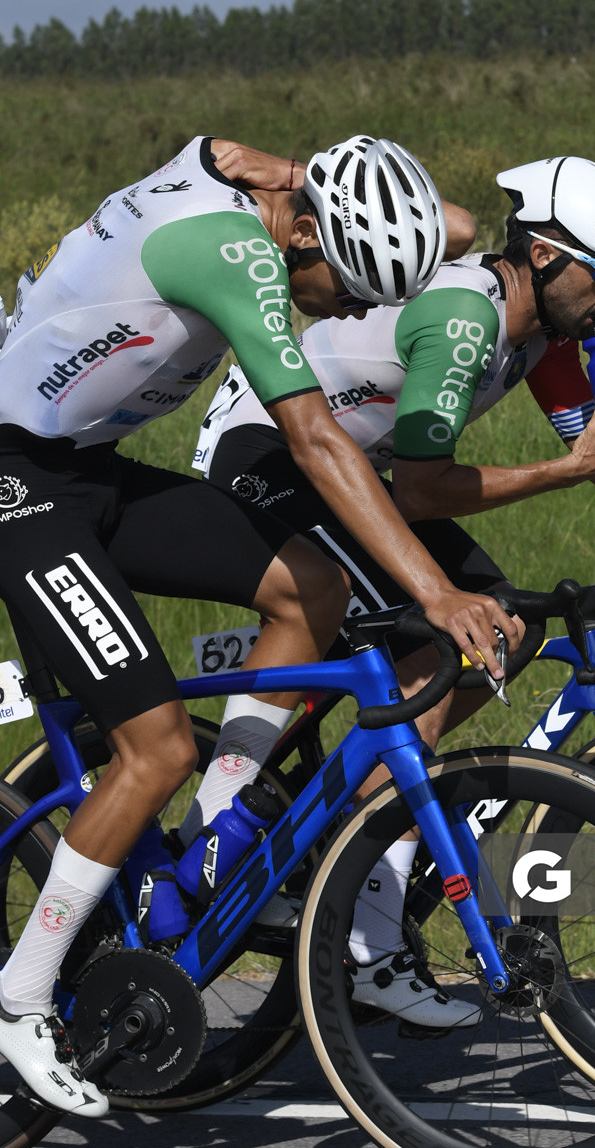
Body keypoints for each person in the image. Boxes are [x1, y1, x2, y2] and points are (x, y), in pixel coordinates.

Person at [191, 154, 595, 1027]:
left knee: (500, 633)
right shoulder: (467, 319)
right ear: (546, 256)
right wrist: (563, 467)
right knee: (440, 648)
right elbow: (428, 489)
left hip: (358, 473)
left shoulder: (542, 340)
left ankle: (346, 848)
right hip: (267, 456)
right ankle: (351, 923)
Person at [0, 133, 518, 1116]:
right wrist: (434, 590)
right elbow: (318, 437)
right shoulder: (232, 252)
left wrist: (317, 180)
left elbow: (437, 222)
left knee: (311, 587)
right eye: (354, 287)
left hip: (86, 466)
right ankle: (20, 998)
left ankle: (214, 833)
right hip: (14, 478)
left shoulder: (274, 194)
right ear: (307, 240)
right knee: (150, 749)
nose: (360, 313)